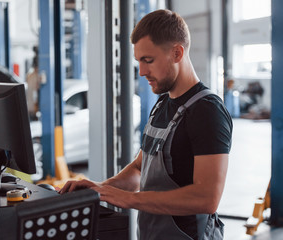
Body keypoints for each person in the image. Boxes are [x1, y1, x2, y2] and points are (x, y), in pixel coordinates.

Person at [60, 9, 233, 240]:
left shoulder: (206, 110)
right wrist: (100, 189)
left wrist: (130, 200)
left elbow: (207, 198)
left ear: (177, 53)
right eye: (139, 61)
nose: (141, 72)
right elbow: (139, 169)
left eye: (148, 61)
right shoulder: (162, 103)